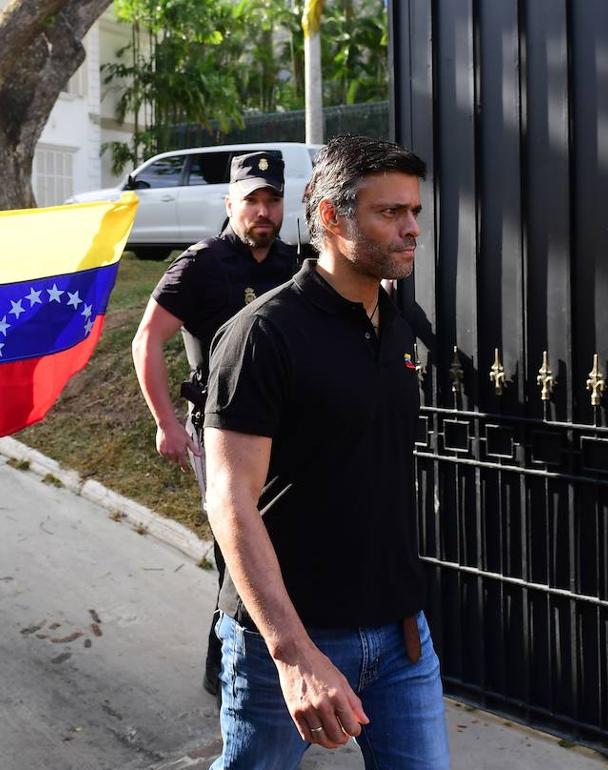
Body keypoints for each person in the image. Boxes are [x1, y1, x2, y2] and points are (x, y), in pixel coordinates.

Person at [202, 135, 448, 769]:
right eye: (390, 212)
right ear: (334, 217)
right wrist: (292, 653)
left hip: (401, 636)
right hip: (286, 639)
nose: (412, 228)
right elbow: (229, 501)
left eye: (414, 210)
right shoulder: (262, 335)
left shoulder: (395, 325)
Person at [131, 151, 299, 698]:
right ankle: (229, 669)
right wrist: (165, 423)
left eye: (272, 199)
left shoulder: (297, 263)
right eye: (252, 200)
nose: (263, 210)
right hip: (219, 433)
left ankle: (260, 661)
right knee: (237, 549)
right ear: (230, 204)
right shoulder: (200, 263)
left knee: (280, 547)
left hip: (287, 433)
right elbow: (146, 340)